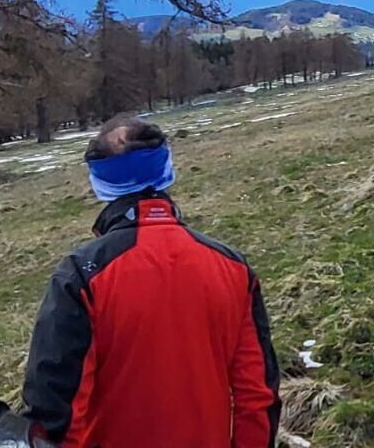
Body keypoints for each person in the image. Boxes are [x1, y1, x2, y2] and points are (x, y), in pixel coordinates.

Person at [20, 114, 281, 448]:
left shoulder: (81, 275)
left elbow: (55, 416)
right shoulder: (232, 267)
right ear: (167, 169)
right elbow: (256, 397)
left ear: (99, 183)